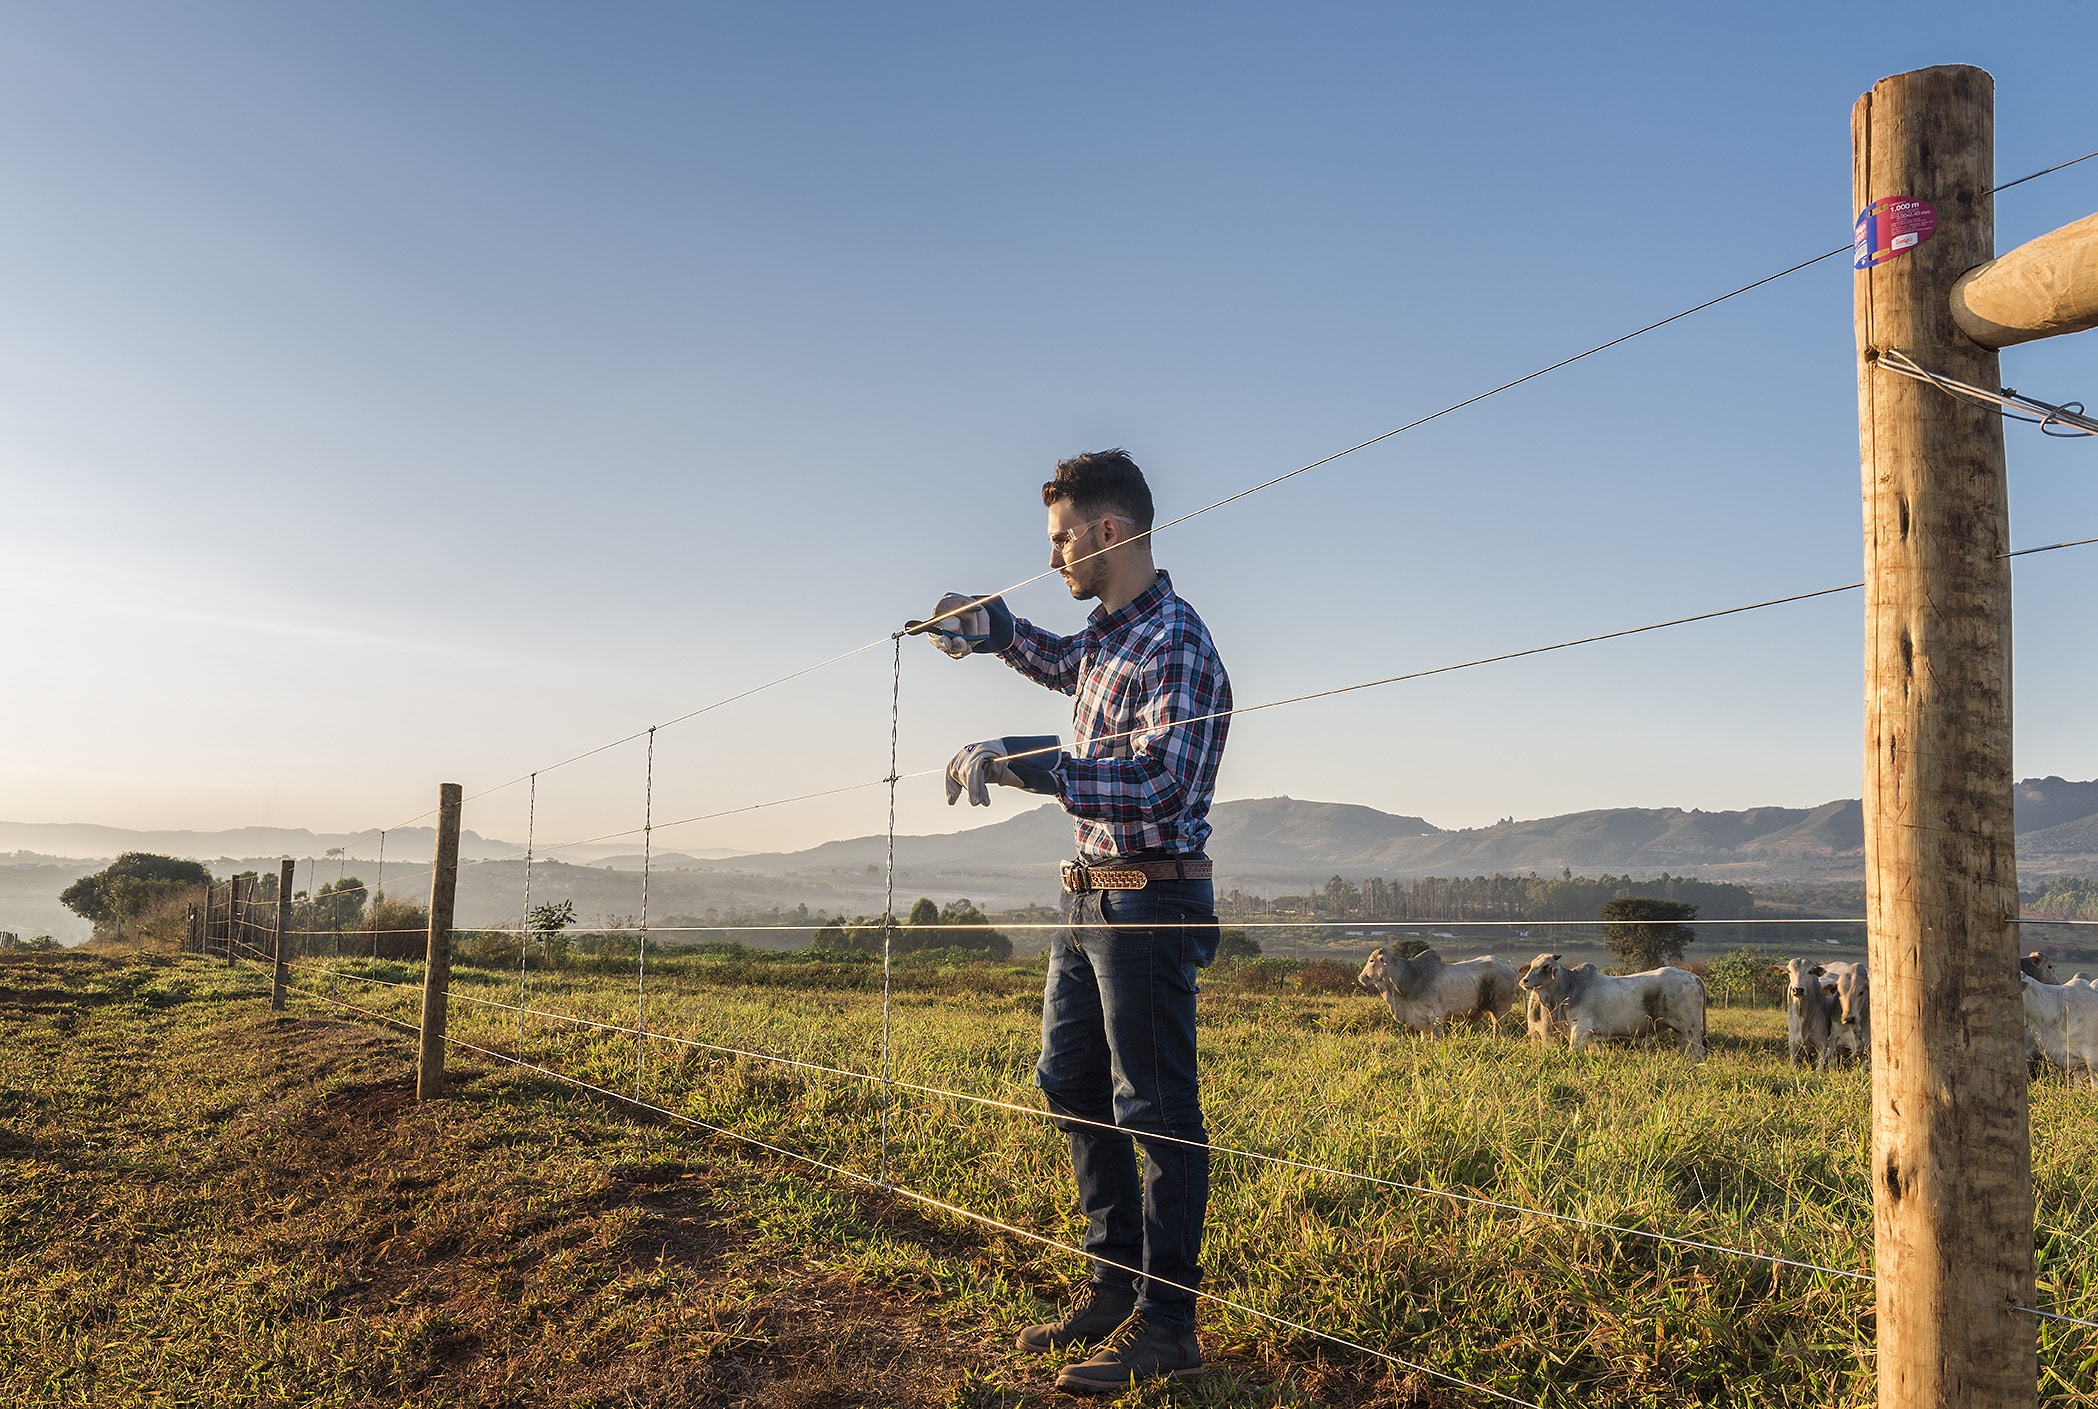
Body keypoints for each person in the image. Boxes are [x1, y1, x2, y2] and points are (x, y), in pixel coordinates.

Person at [911, 449, 1231, 1391]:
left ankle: (1170, 1326)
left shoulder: (1179, 641)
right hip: (1087, 895)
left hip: (1148, 898)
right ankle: (1112, 1284)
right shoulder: (1109, 635)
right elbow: (1059, 660)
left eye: (1059, 539)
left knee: (1159, 1109)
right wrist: (990, 625)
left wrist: (1028, 764)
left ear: (1105, 530)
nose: (1052, 556)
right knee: (1070, 1080)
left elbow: (1159, 781)